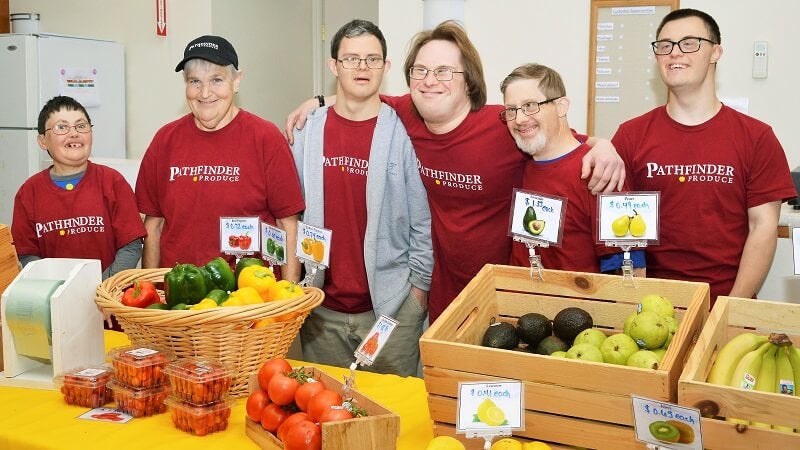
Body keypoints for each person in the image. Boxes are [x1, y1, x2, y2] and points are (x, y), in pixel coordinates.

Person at [285, 21, 626, 323]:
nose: (430, 81)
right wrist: (318, 101)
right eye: (420, 71)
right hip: (441, 298)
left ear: (469, 81)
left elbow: (557, 140)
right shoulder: (409, 116)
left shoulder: (502, 124)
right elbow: (362, 93)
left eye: (444, 71)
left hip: (502, 300)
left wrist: (604, 146)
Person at [611, 9, 795, 303]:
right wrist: (643, 303)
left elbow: (763, 227)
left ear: (715, 52)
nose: (674, 53)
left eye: (689, 43)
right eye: (665, 45)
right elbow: (622, 231)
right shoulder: (630, 136)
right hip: (649, 308)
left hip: (727, 304)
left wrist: (732, 307)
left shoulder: (757, 137)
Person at [291, 20, 432, 376]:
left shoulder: (406, 132)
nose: (362, 68)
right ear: (333, 66)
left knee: (395, 417)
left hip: (392, 311)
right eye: (351, 59)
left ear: (385, 68)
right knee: (324, 417)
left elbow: (424, 221)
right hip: (321, 312)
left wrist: (418, 293)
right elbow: (290, 213)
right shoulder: (306, 131)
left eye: (372, 59)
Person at [136, 35, 305, 281]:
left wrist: (290, 300)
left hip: (251, 301)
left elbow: (287, 226)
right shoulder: (165, 140)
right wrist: (153, 295)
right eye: (195, 81)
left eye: (216, 80)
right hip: (179, 299)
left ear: (236, 81)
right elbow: (153, 226)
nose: (205, 93)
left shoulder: (266, 138)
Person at [501, 64, 645, 275]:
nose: (520, 119)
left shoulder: (601, 172)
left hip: (578, 307)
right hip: (522, 304)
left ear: (561, 106)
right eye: (511, 110)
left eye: (530, 105)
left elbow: (631, 272)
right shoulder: (520, 161)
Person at [12, 95, 146, 280]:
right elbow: (27, 256)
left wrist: (99, 289)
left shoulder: (112, 182)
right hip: (53, 300)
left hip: (107, 298)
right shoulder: (28, 192)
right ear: (42, 141)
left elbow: (131, 247)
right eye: (61, 127)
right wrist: (59, 292)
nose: (74, 133)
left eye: (81, 126)